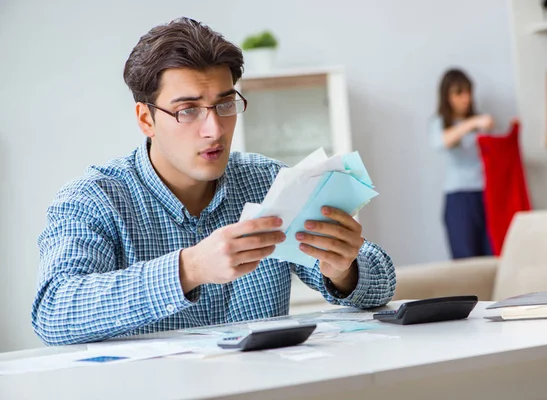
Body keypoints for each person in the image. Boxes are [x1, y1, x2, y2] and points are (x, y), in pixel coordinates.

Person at [31, 17, 396, 346]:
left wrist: (345, 270)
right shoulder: (93, 199)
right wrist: (188, 269)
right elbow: (53, 311)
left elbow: (382, 283)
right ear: (145, 119)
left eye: (224, 104)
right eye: (188, 110)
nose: (215, 129)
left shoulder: (267, 180)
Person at [429, 68, 494, 259]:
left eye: (468, 92)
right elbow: (441, 142)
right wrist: (473, 123)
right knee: (465, 258)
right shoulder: (440, 123)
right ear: (447, 96)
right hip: (459, 197)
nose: (466, 98)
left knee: (491, 256)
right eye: (459, 93)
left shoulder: (481, 124)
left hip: (485, 194)